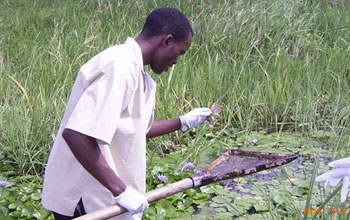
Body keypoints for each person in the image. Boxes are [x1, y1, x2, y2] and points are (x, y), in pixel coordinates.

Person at [41, 7, 212, 220]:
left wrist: (184, 121)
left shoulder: (137, 73)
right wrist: (120, 190)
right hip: (84, 199)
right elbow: (76, 134)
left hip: (101, 196)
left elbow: (138, 129)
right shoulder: (119, 66)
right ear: (166, 41)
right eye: (180, 52)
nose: (177, 61)